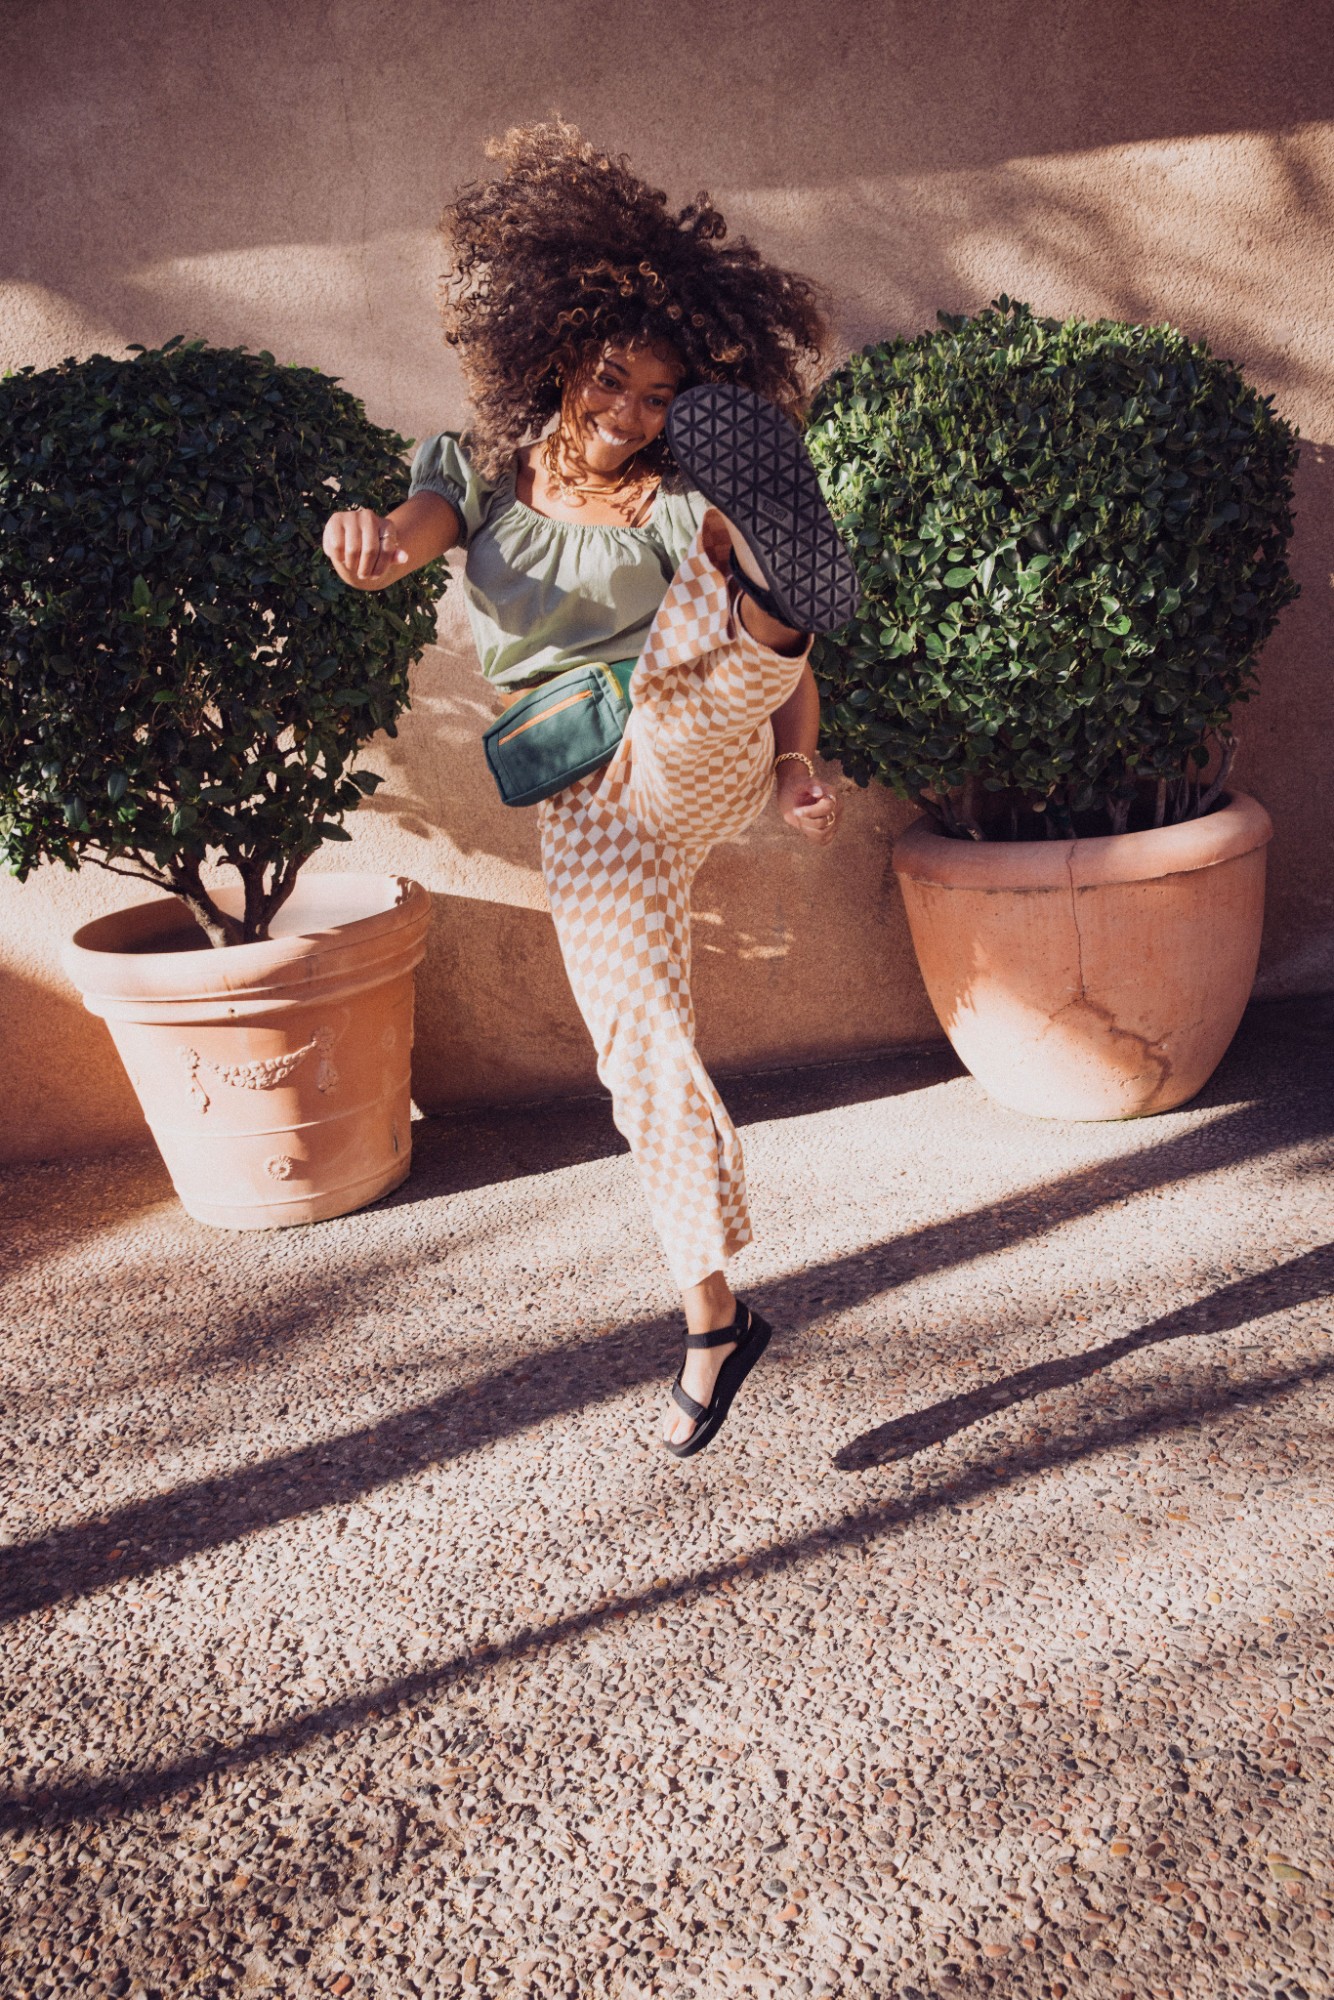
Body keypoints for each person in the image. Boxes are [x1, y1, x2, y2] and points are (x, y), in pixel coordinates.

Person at [322, 121, 859, 1457]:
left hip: (691, 749)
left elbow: (773, 697)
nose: (630, 413)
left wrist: (799, 765)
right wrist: (369, 542)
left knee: (696, 659)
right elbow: (409, 541)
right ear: (560, 354)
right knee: (640, 1048)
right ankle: (715, 1318)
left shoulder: (677, 501)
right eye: (614, 380)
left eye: (662, 398)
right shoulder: (476, 477)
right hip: (585, 803)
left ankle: (774, 586)